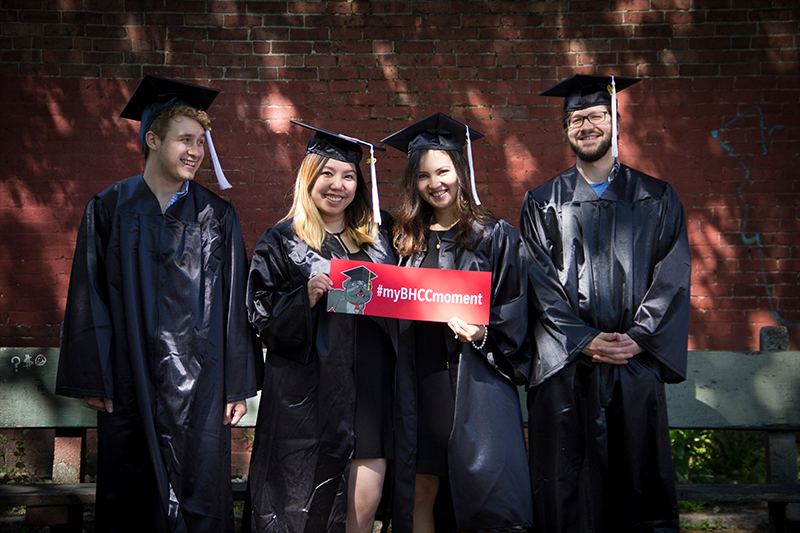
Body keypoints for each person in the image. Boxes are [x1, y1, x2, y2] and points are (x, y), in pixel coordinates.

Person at [56, 74, 262, 533]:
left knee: (198, 492)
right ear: (152, 139)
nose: (196, 151)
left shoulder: (217, 216)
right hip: (128, 379)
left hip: (201, 384)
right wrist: (97, 375)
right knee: (130, 490)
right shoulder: (110, 208)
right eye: (184, 140)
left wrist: (235, 387)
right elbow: (90, 293)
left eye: (201, 142)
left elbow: (233, 304)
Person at [520, 74, 692, 533]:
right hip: (568, 370)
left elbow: (672, 276)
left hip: (633, 369)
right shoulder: (542, 203)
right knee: (569, 493)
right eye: (576, 119)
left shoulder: (656, 197)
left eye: (596, 116)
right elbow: (537, 284)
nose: (587, 126)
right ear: (566, 130)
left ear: (615, 121)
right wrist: (586, 341)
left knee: (635, 489)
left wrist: (638, 338)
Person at [242, 121, 396, 533]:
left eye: (348, 175)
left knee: (364, 507)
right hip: (307, 394)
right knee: (300, 506)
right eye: (327, 173)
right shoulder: (281, 241)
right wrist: (303, 298)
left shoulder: (380, 238)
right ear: (309, 177)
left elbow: (408, 297)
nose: (337, 185)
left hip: (368, 386)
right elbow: (260, 317)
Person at [382, 113, 532, 533]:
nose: (436, 183)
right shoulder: (404, 239)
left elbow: (516, 310)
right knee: (420, 488)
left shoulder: (495, 235)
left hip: (475, 382)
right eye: (425, 176)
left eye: (443, 170)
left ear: (459, 171)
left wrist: (485, 334)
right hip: (420, 381)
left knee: (482, 491)